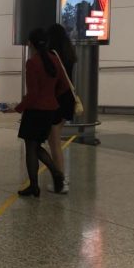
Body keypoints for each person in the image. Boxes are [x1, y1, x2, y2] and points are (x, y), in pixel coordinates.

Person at [5, 29, 68, 197]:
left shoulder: (32, 63)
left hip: (35, 112)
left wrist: (17, 108)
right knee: (36, 146)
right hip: (50, 110)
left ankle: (40, 182)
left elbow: (32, 94)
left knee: (31, 147)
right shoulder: (55, 60)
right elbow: (63, 86)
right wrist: (51, 96)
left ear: (30, 44)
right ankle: (54, 175)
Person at [46, 23, 77, 193]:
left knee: (54, 142)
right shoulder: (69, 53)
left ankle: (60, 182)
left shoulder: (53, 55)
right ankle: (62, 178)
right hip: (68, 100)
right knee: (56, 141)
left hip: (56, 100)